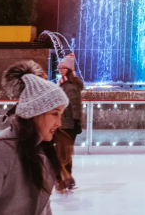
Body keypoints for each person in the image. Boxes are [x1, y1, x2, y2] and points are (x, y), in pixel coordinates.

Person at [0, 61, 69, 214]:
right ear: (34, 113)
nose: (59, 123)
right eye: (55, 114)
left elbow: (42, 208)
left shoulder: (41, 152)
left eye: (61, 114)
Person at [56, 54, 84, 189]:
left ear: (69, 69)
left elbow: (75, 105)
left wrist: (77, 122)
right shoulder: (63, 83)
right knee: (63, 152)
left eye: (63, 67)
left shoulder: (70, 86)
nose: (60, 69)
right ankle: (65, 178)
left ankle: (67, 179)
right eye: (59, 67)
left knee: (64, 152)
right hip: (63, 123)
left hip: (69, 124)